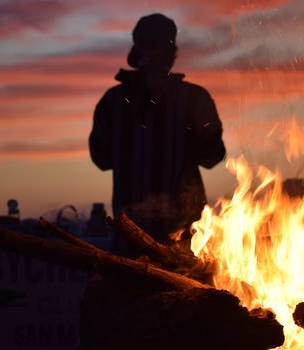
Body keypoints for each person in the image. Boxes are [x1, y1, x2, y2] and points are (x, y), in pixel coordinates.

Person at [89, 14, 226, 252]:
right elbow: (212, 157)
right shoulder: (194, 99)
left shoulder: (113, 101)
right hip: (179, 239)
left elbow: (101, 159)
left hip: (137, 239)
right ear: (172, 53)